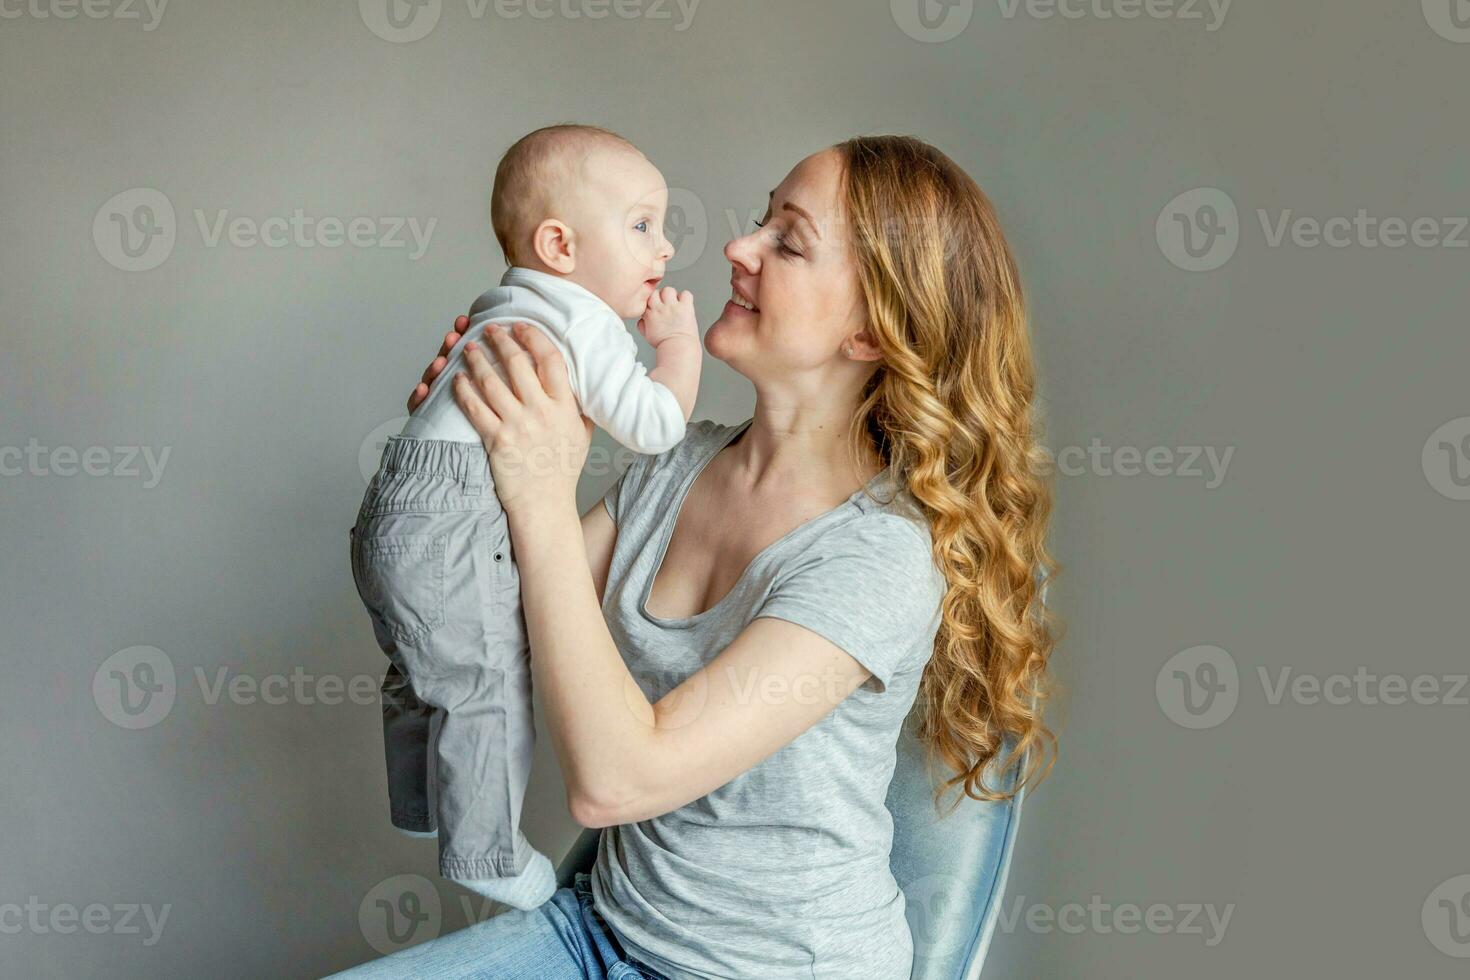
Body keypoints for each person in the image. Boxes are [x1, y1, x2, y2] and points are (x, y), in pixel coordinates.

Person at [332, 134, 1057, 980]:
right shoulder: (678, 467)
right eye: (760, 221)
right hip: (600, 932)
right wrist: (470, 450)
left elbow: (615, 781)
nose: (736, 248)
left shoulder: (877, 557)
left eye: (786, 241)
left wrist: (535, 493)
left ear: (870, 331)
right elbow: (508, 620)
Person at [349, 124, 701, 911]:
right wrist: (677, 352)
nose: (666, 249)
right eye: (643, 225)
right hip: (454, 518)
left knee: (420, 667)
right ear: (560, 245)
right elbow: (652, 424)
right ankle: (487, 852)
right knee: (486, 683)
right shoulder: (583, 321)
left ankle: (421, 805)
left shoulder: (502, 302)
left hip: (394, 506)